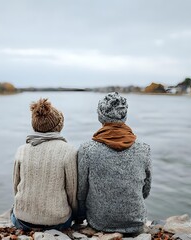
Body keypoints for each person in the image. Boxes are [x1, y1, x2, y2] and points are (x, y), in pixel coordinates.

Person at [77, 92, 152, 234]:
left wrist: (80, 215)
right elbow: (146, 190)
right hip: (136, 221)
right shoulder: (144, 148)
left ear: (100, 116)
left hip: (99, 222)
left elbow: (81, 191)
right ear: (125, 115)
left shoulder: (87, 149)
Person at [11, 98, 78, 231]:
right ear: (59, 126)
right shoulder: (69, 151)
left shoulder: (22, 150)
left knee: (12, 213)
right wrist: (77, 215)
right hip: (57, 222)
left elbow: (15, 186)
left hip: (22, 220)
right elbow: (72, 192)